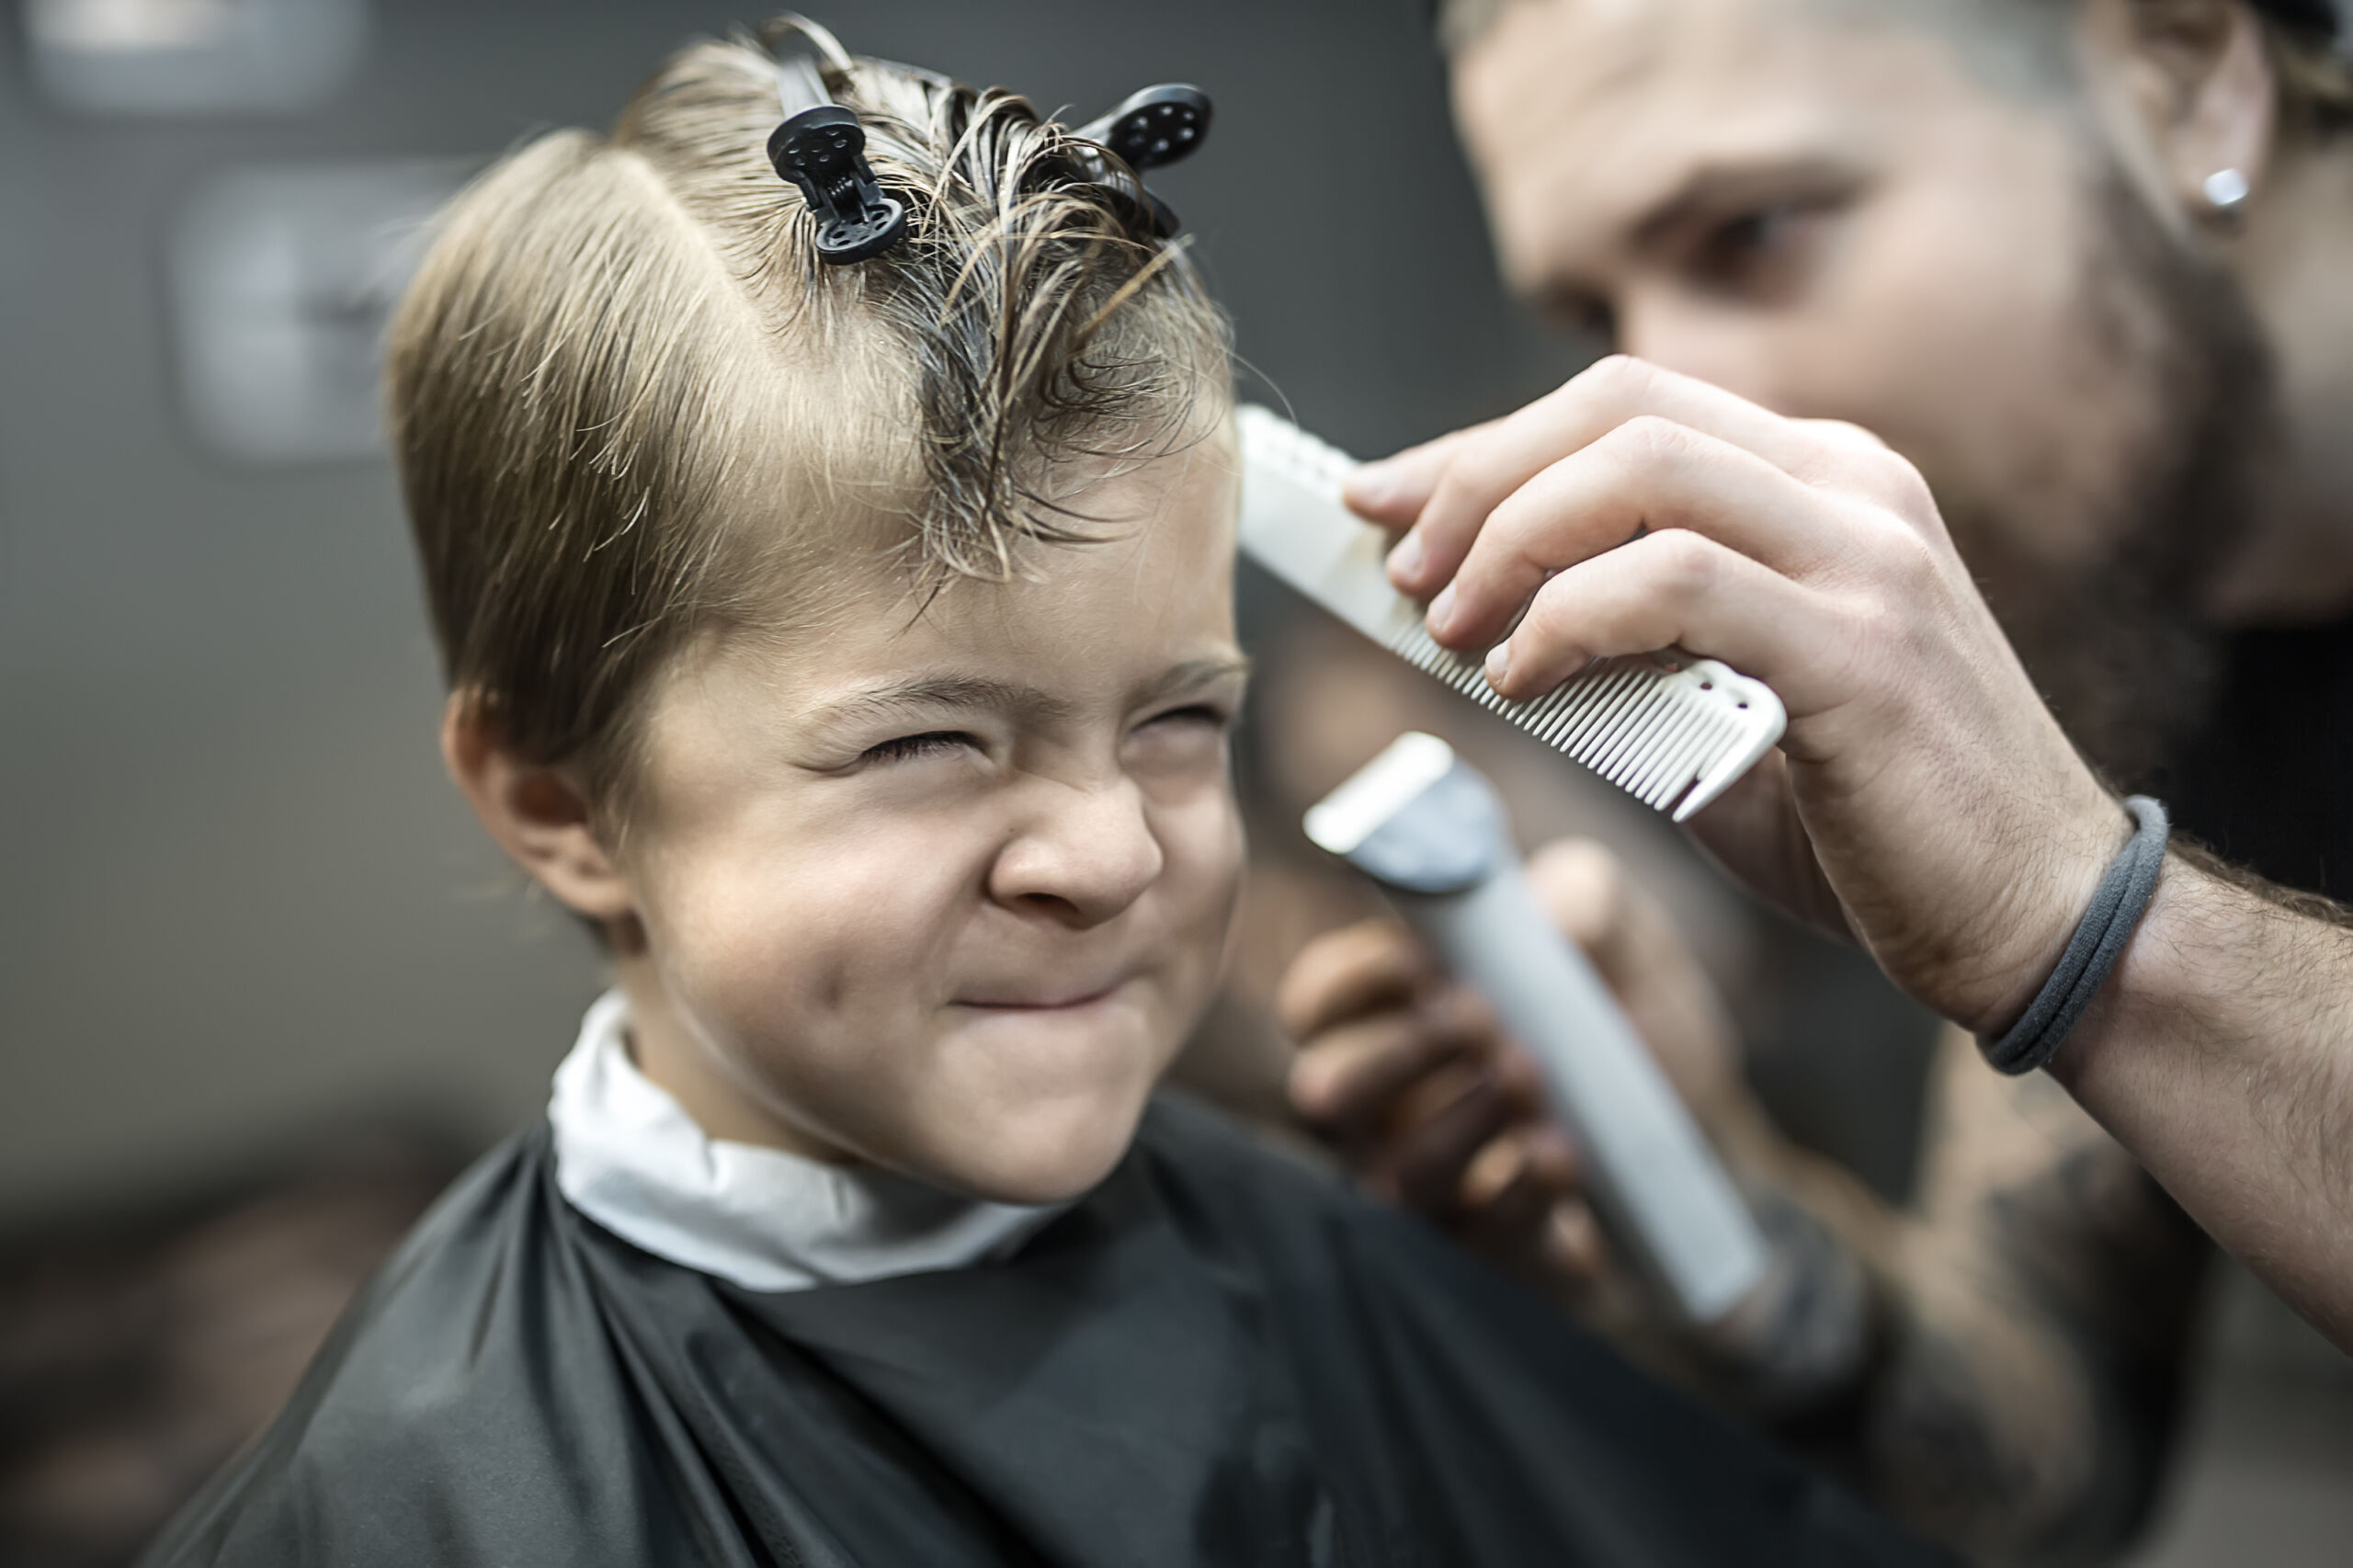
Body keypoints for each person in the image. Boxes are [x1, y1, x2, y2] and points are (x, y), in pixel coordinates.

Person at [137, 21, 1954, 1568]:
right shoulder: (411, 1503)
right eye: (922, 741)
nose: (1111, 849)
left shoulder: (1332, 1261)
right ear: (557, 803)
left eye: (1177, 718)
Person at [1278, 0, 2353, 1559]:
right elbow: (2056, 1465)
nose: (1669, 394)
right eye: (1595, 309)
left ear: (2190, 77)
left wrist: (2073, 919)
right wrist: (1714, 1222)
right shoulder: (2122, 617)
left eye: (1753, 232)